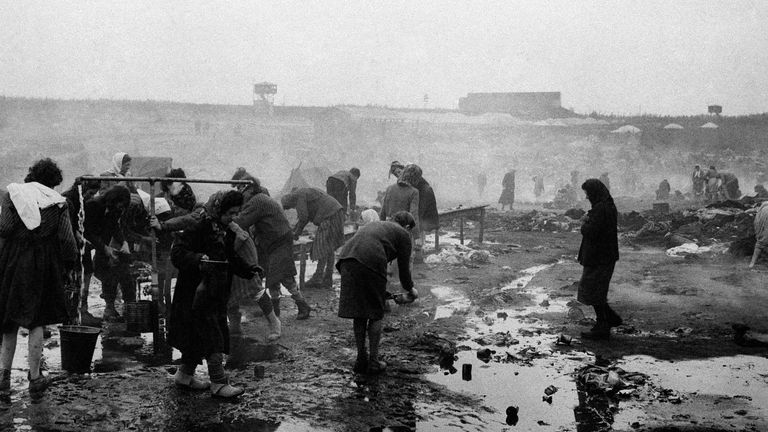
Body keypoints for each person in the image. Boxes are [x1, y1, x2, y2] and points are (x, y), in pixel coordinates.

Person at [169, 190, 262, 398]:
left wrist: (249, 269)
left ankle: (184, 375)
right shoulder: (198, 226)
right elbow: (177, 254)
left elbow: (230, 256)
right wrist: (198, 259)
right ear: (219, 208)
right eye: (230, 212)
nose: (233, 217)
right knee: (213, 335)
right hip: (195, 292)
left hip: (216, 291)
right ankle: (218, 383)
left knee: (197, 336)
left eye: (236, 213)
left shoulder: (224, 230)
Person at [0, 158, 78, 396]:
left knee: (9, 321)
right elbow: (66, 241)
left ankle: (4, 379)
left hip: (13, 261)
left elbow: (3, 228)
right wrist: (69, 265)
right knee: (37, 320)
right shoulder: (58, 202)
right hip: (43, 265)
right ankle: (35, 378)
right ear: (54, 181)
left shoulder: (13, 194)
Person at [336, 211, 418, 374]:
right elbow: (404, 270)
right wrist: (411, 290)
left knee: (359, 312)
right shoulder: (403, 234)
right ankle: (373, 362)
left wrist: (383, 292)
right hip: (369, 260)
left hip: (346, 260)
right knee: (375, 313)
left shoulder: (379, 226)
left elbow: (370, 276)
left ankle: (361, 358)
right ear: (407, 227)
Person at [234, 189, 311, 320]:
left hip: (279, 241)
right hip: (274, 242)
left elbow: (242, 221)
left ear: (250, 190)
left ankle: (302, 305)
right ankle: (275, 309)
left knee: (284, 275)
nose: (242, 195)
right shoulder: (262, 199)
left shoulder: (257, 201)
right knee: (272, 275)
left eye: (244, 191)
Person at [576, 179, 622, 340]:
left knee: (592, 289)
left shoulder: (601, 208)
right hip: (604, 255)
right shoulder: (607, 206)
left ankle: (603, 325)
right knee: (597, 289)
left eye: (588, 193)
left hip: (598, 256)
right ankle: (609, 318)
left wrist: (584, 224)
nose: (587, 197)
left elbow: (592, 231)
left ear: (594, 192)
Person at [83, 185, 133, 321]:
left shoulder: (115, 210)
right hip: (86, 243)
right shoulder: (93, 205)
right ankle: (83, 310)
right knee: (91, 273)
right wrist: (104, 248)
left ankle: (111, 308)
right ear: (113, 200)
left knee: (114, 272)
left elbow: (114, 226)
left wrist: (124, 242)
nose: (120, 209)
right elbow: (87, 231)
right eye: (120, 205)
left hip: (103, 243)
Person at [281, 188, 345, 289]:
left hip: (330, 215)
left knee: (322, 246)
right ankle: (327, 279)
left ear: (290, 200)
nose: (293, 208)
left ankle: (318, 278)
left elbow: (303, 217)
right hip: (336, 212)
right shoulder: (302, 193)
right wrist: (296, 230)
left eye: (291, 207)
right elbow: (304, 218)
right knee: (329, 247)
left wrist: (296, 233)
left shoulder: (299, 196)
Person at [61, 177, 102, 325]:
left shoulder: (82, 200)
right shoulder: (67, 199)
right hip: (68, 244)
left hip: (80, 244)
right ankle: (71, 314)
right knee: (72, 279)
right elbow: (66, 224)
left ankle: (82, 310)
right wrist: (77, 234)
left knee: (87, 272)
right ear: (83, 188)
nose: (91, 197)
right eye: (90, 193)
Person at [399, 164, 438, 264]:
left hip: (421, 219)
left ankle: (417, 260)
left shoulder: (424, 190)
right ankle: (416, 259)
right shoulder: (417, 185)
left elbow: (418, 213)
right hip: (416, 219)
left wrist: (415, 230)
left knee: (416, 241)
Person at [749, 201, 768, 268]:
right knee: (761, 241)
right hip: (764, 217)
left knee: (760, 242)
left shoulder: (764, 206)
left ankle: (752, 263)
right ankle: (752, 263)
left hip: (762, 214)